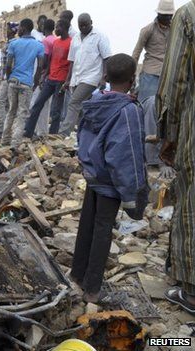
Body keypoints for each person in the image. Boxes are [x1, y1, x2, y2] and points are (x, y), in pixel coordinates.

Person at [73, 54, 147, 303]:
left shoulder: (94, 101)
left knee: (87, 224)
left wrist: (87, 164)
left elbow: (81, 136)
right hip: (109, 183)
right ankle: (92, 290)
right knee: (103, 230)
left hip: (93, 174)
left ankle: (77, 275)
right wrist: (132, 195)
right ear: (132, 79)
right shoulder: (128, 111)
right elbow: (127, 158)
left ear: (105, 76)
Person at [157, 0, 195, 314]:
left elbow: (175, 82)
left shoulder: (189, 15)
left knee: (192, 199)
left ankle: (192, 291)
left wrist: (169, 133)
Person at [59, 13, 111, 135]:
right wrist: (67, 80)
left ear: (91, 22)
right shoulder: (76, 38)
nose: (83, 28)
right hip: (77, 77)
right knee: (83, 110)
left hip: (91, 77)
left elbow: (107, 58)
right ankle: (86, 136)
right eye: (80, 26)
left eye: (85, 25)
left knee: (74, 102)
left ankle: (63, 133)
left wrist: (104, 77)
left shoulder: (100, 36)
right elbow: (72, 61)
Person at [0, 18, 44, 146]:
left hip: (13, 81)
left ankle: (5, 139)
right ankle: (15, 143)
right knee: (22, 113)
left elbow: (8, 65)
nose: (17, 30)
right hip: (27, 83)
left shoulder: (13, 44)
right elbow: (41, 66)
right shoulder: (39, 46)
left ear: (23, 28)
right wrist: (35, 82)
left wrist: (9, 78)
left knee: (11, 111)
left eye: (19, 28)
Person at [24, 20, 72, 137]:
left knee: (56, 110)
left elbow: (72, 63)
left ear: (64, 27)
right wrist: (44, 76)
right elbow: (51, 60)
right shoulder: (56, 42)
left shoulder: (71, 43)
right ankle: (28, 132)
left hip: (61, 80)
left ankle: (53, 136)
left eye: (58, 27)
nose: (56, 30)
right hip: (50, 78)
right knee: (37, 104)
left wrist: (67, 81)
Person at [132, 0, 175, 102]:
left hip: (170, 73)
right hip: (151, 74)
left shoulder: (175, 29)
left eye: (170, 15)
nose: (168, 18)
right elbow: (136, 52)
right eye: (165, 15)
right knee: (147, 104)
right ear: (158, 14)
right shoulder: (147, 30)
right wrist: (132, 75)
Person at [0, 22, 19, 142]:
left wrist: (5, 79)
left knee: (0, 102)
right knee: (7, 105)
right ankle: (6, 131)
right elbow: (3, 65)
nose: (5, 31)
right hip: (4, 78)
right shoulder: (8, 43)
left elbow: (9, 65)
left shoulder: (13, 44)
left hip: (8, 78)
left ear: (13, 31)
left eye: (7, 29)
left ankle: (0, 129)